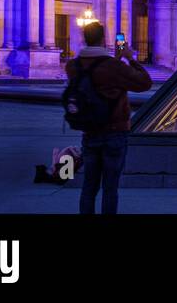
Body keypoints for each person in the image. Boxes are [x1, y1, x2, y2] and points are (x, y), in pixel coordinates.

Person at [64, 21, 151, 214]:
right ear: (103, 39)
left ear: (84, 38)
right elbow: (144, 83)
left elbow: (97, 81)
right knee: (110, 188)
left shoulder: (73, 66)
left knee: (89, 187)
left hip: (89, 132)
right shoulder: (112, 66)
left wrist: (117, 62)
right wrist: (130, 59)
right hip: (114, 132)